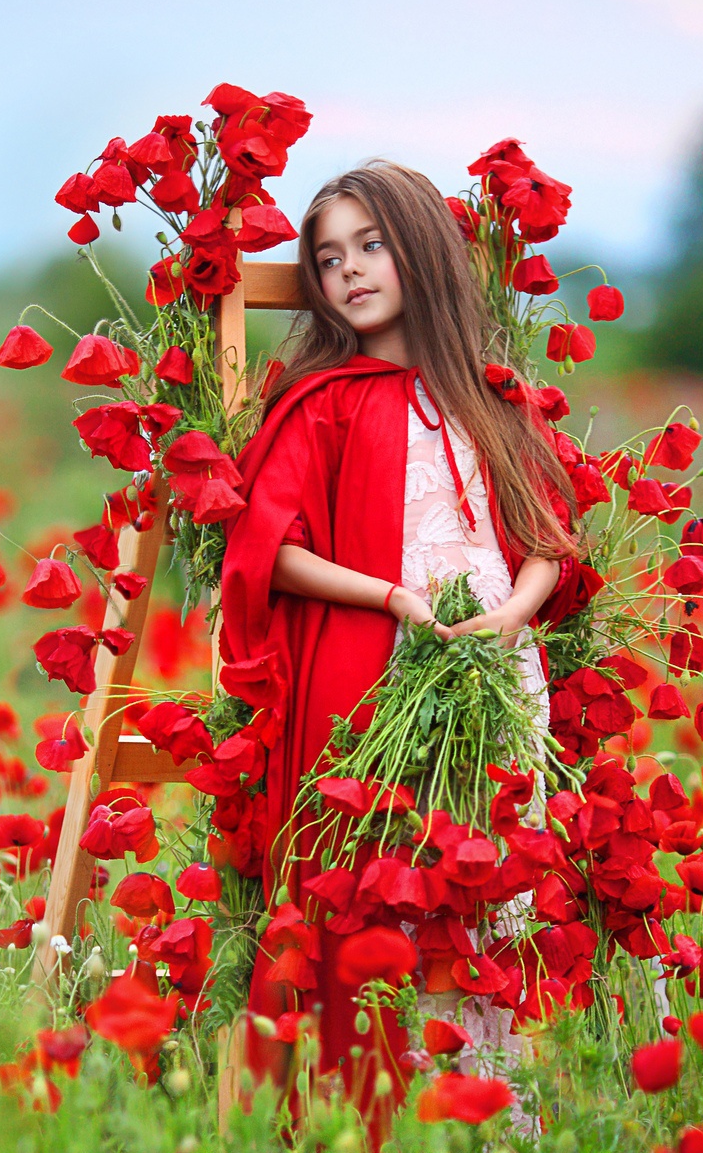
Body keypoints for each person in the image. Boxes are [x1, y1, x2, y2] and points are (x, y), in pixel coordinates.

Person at [218, 160, 587, 1133]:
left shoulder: (484, 397)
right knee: (379, 889)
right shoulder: (323, 401)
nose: (348, 272)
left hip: (496, 679)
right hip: (378, 682)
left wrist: (508, 618)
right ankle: (371, 1115)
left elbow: (546, 543)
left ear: (420, 246)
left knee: (480, 888)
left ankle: (478, 1110)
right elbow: (270, 547)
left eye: (370, 244)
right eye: (328, 257)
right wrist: (392, 596)